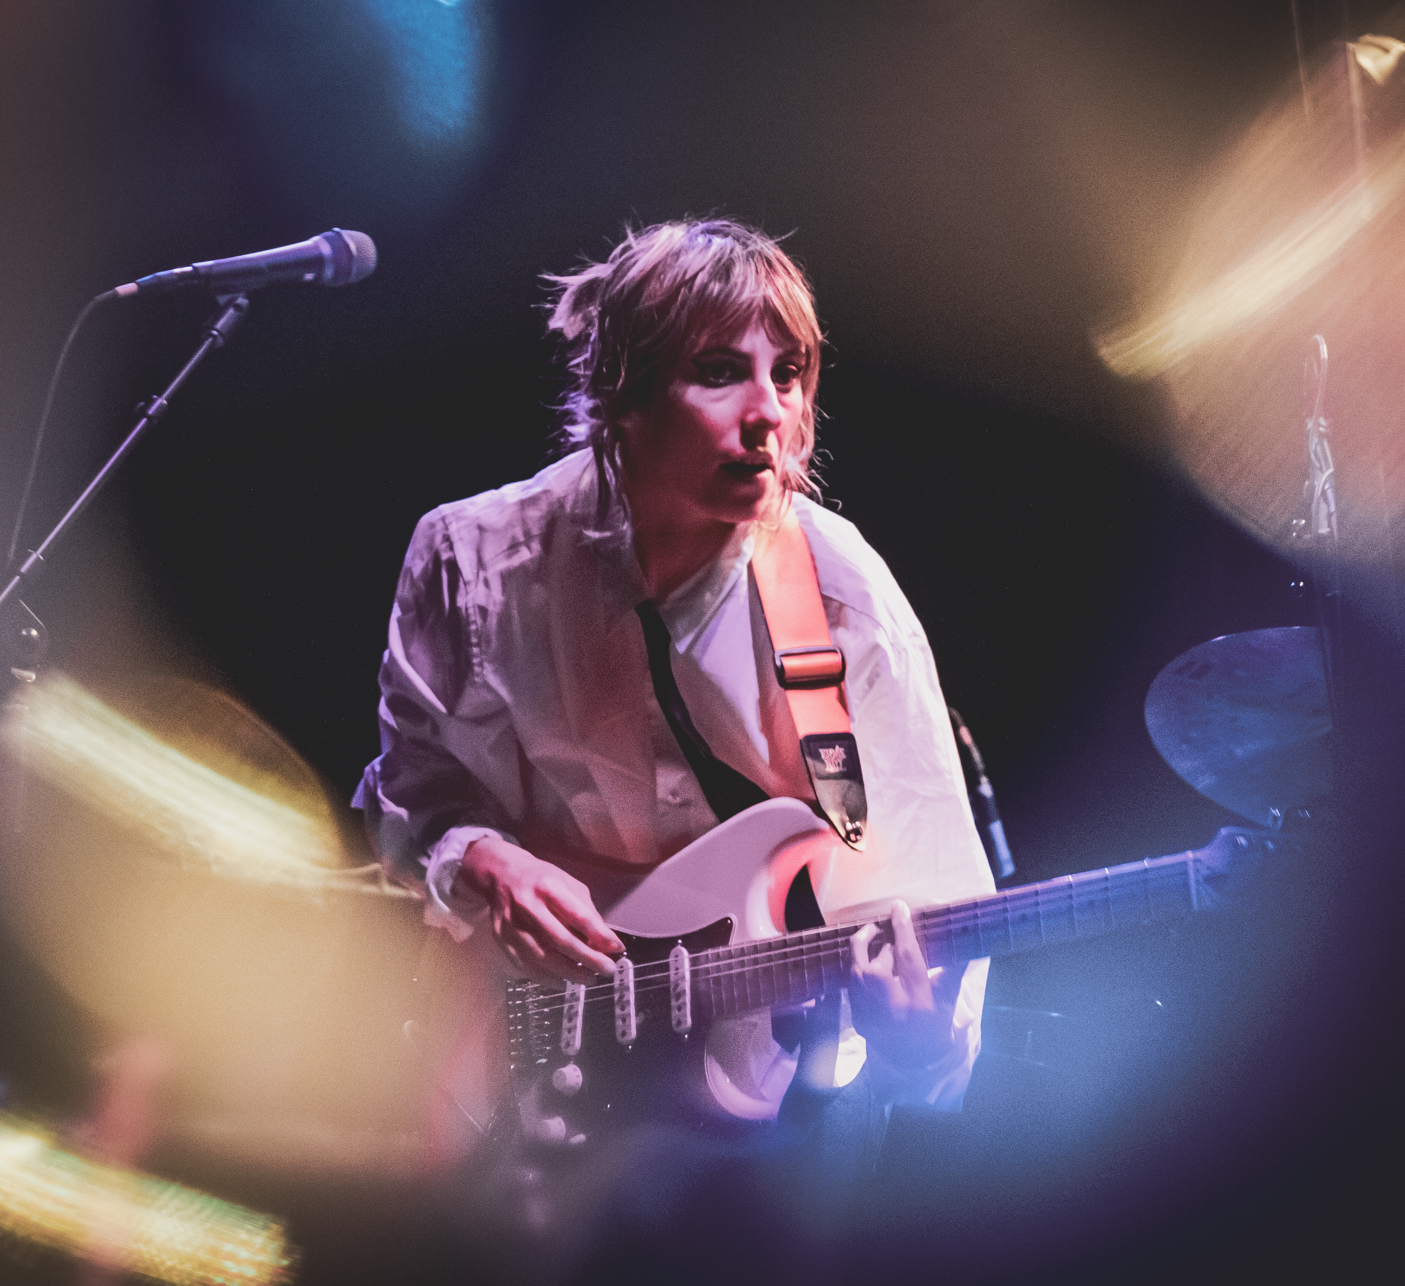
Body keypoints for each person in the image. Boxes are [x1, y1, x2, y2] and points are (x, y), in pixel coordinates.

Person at [354, 217, 995, 1199]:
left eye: (790, 374)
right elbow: (413, 799)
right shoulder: (472, 562)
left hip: (766, 1117)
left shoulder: (839, 594)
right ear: (622, 390)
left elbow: (932, 890)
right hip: (517, 1083)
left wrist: (921, 1044)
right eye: (719, 372)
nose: (770, 411)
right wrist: (484, 861)